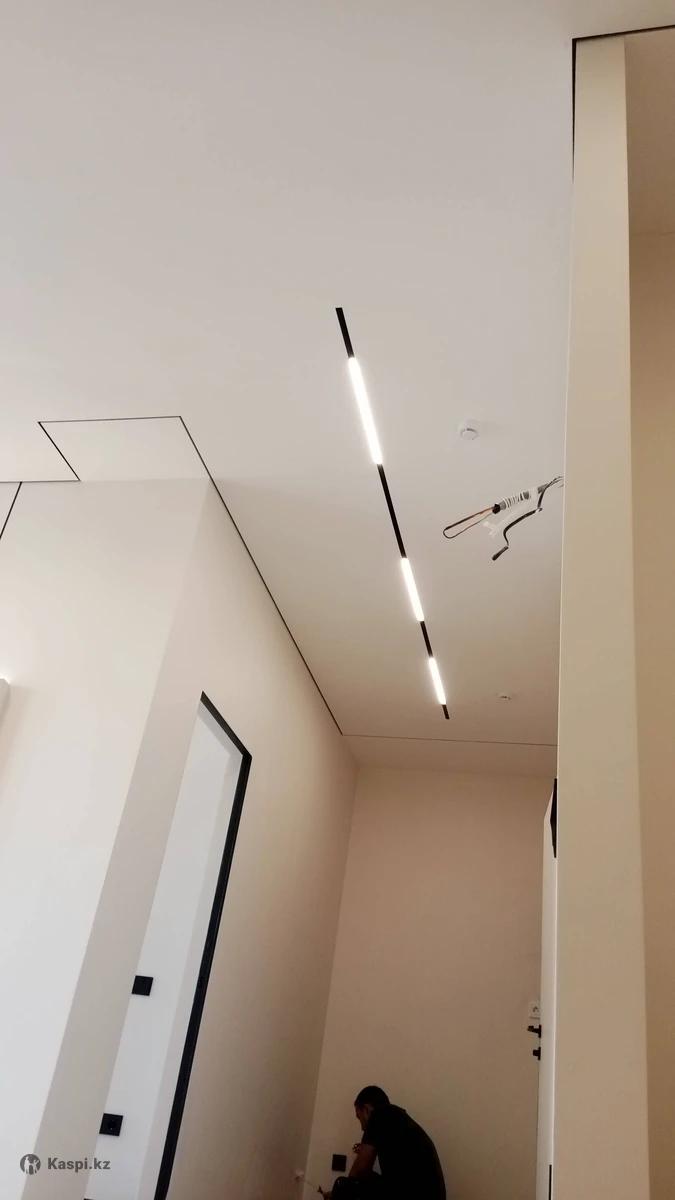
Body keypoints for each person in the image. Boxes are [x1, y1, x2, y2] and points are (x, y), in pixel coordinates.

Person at [321, 1085, 446, 1200]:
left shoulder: (379, 1115)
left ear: (366, 1109)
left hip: (413, 1194)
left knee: (343, 1185)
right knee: (368, 1179)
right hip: (425, 1193)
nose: (362, 1128)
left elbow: (358, 1172)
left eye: (359, 1118)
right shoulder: (399, 1120)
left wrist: (338, 1194)